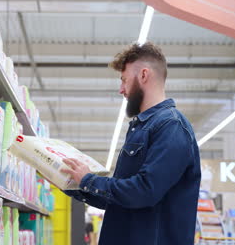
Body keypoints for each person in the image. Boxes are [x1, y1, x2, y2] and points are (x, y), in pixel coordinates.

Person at [61, 42, 201, 245]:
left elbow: (145, 191)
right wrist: (68, 180)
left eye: (124, 80)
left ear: (144, 75)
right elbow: (120, 198)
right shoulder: (143, 128)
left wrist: (89, 180)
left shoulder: (171, 126)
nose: (121, 90)